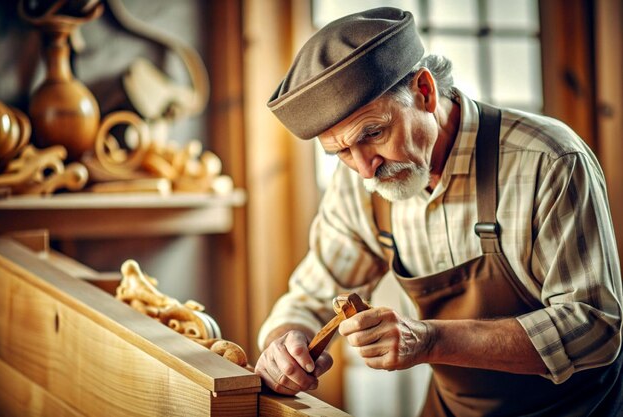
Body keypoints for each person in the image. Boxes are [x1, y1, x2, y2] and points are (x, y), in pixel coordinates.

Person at [255, 7, 623, 416]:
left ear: (425, 92)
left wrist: (430, 341)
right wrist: (285, 341)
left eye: (373, 133)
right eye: (340, 151)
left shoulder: (548, 160)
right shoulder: (363, 182)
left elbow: (595, 327)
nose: (364, 167)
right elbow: (311, 294)